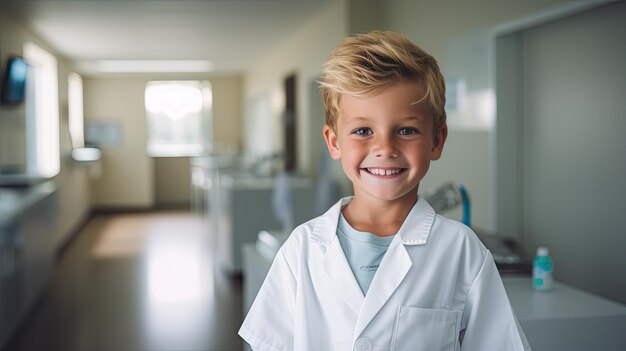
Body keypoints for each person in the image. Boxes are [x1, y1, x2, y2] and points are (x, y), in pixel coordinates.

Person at [239, 31, 531, 351]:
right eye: (363, 130)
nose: (384, 148)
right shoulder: (302, 248)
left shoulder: (462, 251)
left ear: (436, 141)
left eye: (406, 130)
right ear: (334, 142)